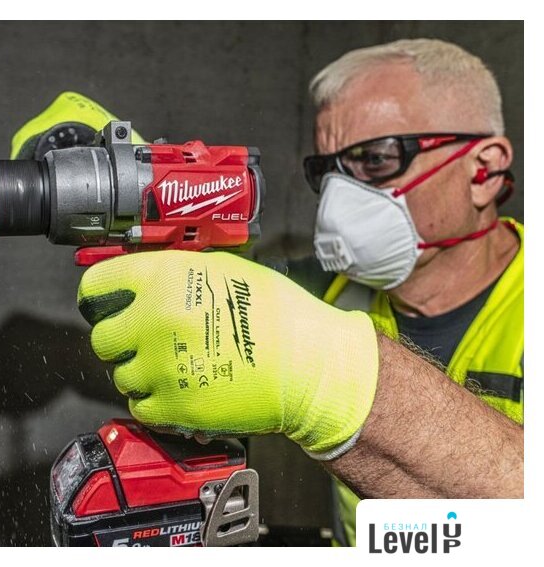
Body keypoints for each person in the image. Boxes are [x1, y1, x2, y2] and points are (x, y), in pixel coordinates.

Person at [73, 38, 523, 546]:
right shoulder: (328, 290)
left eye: (376, 159)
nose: (339, 200)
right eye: (328, 172)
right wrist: (114, 180)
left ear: (483, 170)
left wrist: (333, 378)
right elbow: (193, 292)